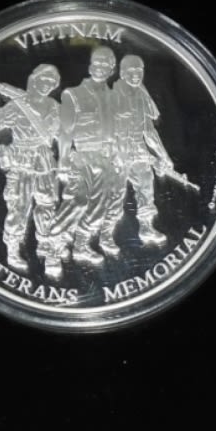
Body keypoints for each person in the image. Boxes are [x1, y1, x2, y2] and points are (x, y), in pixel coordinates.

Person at [0, 63, 63, 275]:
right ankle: (12, 250)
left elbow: (59, 134)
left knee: (47, 204)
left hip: (44, 160)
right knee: (19, 206)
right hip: (21, 160)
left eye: (52, 82)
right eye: (44, 79)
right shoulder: (17, 104)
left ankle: (46, 244)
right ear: (34, 80)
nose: (47, 84)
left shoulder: (54, 106)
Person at [54, 46, 121, 267]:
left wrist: (118, 155)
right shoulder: (73, 94)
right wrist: (63, 160)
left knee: (99, 206)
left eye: (105, 63)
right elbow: (65, 131)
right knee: (77, 202)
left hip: (106, 159)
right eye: (97, 62)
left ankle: (80, 247)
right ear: (90, 65)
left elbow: (118, 129)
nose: (100, 67)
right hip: (82, 157)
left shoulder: (114, 97)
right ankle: (53, 245)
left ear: (112, 69)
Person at [109, 54, 175, 252]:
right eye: (131, 71)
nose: (136, 74)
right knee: (114, 195)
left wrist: (164, 157)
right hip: (116, 151)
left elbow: (149, 131)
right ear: (122, 73)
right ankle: (104, 236)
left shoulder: (141, 97)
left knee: (146, 187)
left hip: (138, 149)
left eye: (139, 70)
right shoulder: (112, 96)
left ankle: (146, 228)